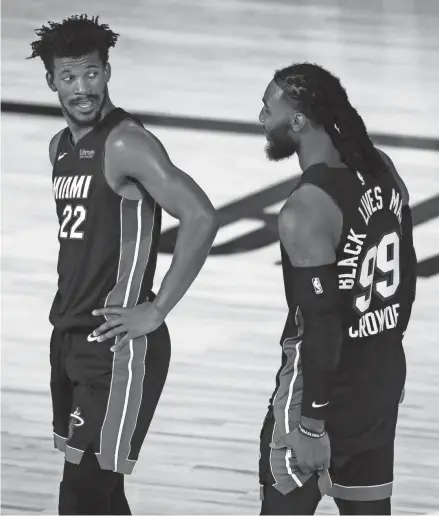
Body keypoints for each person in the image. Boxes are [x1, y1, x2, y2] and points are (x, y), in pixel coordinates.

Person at [28, 14, 219, 515]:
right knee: (103, 496)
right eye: (68, 77)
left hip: (118, 348)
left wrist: (156, 310)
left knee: (81, 496)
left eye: (91, 73)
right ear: (50, 81)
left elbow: (200, 216)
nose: (82, 88)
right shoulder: (61, 148)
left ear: (107, 71)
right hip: (70, 335)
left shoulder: (125, 142)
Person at [257, 62, 417, 515]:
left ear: (298, 121)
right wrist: (387, 355)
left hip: (321, 395)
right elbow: (405, 278)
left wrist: (310, 425)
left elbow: (323, 325)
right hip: (379, 380)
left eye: (268, 109)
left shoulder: (305, 209)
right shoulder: (382, 169)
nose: (262, 119)